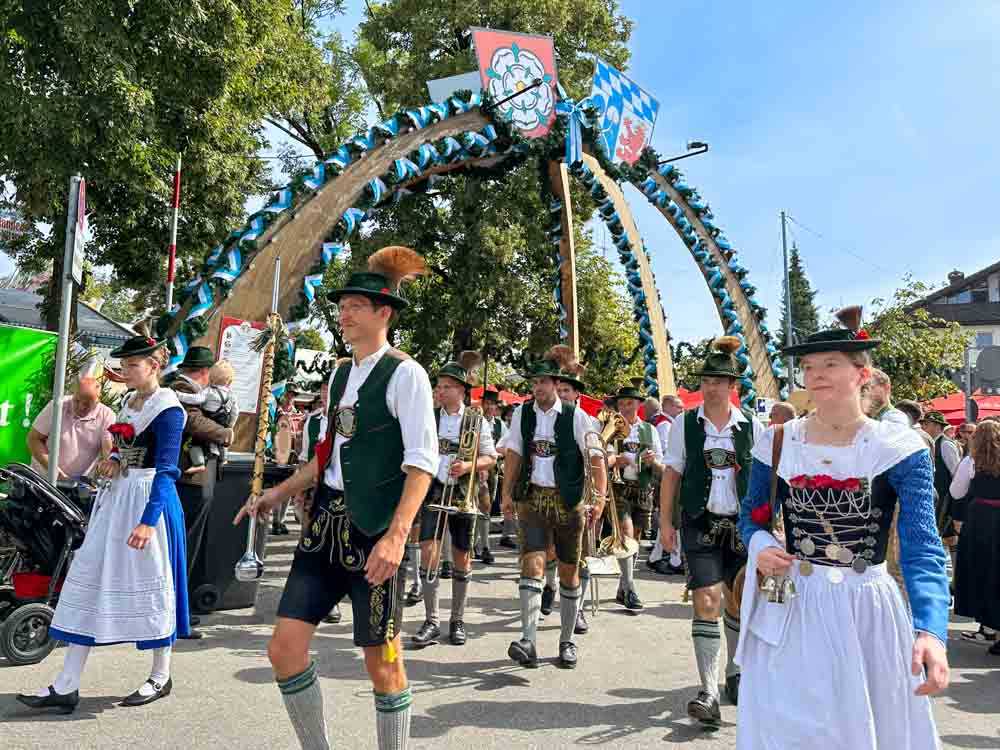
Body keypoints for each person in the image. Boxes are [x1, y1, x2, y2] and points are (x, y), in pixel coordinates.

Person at [233, 246, 437, 750]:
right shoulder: (342, 375)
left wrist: (396, 537)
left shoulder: (406, 374)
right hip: (326, 527)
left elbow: (422, 463)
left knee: (383, 662)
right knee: (284, 650)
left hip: (374, 533)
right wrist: (275, 493)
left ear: (383, 313)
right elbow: (326, 457)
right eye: (342, 306)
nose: (343, 314)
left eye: (355, 306)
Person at [736, 306, 949, 749]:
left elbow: (923, 546)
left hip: (867, 609)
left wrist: (931, 630)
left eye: (830, 363)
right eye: (809, 366)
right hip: (797, 603)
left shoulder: (898, 447)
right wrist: (759, 544)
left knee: (870, 726)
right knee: (795, 729)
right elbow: (751, 516)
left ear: (861, 373)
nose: (815, 374)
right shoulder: (776, 440)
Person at [18, 336, 189, 712]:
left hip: (149, 504)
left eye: (132, 365)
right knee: (88, 579)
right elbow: (126, 453)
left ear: (154, 366)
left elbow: (166, 470)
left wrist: (148, 521)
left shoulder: (169, 410)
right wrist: (115, 462)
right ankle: (66, 684)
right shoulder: (129, 404)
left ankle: (161, 674)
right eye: (124, 365)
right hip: (117, 501)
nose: (125, 371)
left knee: (152, 588)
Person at [659, 336, 764, 724]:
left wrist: (775, 527)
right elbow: (672, 475)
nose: (711, 386)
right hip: (700, 522)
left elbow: (767, 480)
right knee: (706, 599)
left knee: (737, 600)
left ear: (733, 386)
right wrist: (665, 523)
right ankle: (708, 690)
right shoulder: (684, 424)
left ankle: (735, 673)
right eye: (706, 380)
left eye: (719, 380)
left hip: (743, 525)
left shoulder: (755, 425)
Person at [501, 349, 606, 669]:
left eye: (544, 381)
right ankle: (528, 639)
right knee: (530, 564)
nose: (538, 387)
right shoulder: (523, 413)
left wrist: (599, 499)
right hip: (533, 498)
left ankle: (566, 641)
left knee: (569, 572)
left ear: (556, 381)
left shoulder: (575, 415)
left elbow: (596, 457)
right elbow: (514, 454)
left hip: (567, 501)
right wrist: (507, 493)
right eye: (534, 382)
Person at [411, 351, 497, 648]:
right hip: (433, 488)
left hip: (462, 492)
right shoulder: (428, 416)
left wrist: (468, 466)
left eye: (446, 386)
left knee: (462, 556)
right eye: (439, 385)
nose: (440, 390)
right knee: (428, 553)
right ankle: (432, 619)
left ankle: (457, 619)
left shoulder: (477, 420)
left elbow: (491, 457)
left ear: (461, 390)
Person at [168, 345, 234, 638]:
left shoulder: (186, 386)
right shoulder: (183, 387)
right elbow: (193, 422)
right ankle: (176, 612)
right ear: (205, 373)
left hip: (196, 476)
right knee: (186, 544)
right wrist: (226, 433)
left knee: (188, 543)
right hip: (190, 478)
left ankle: (179, 608)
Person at [551, 346, 600, 636]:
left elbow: (596, 462)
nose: (563, 394)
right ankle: (547, 586)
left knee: (580, 555)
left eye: (567, 390)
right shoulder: (541, 416)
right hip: (546, 495)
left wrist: (598, 498)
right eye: (560, 389)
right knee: (548, 552)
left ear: (576, 394)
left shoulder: (586, 421)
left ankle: (577, 609)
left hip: (579, 494)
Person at [609, 381, 665, 611]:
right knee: (626, 535)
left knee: (636, 540)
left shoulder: (649, 430)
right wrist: (615, 460)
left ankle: (623, 587)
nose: (624, 407)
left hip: (643, 489)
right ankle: (631, 588)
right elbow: (603, 458)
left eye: (629, 403)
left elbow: (661, 464)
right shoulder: (611, 427)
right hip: (620, 488)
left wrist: (653, 461)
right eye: (621, 403)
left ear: (638, 405)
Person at [952, 419, 1000, 654]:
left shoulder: (972, 461)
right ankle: (992, 629)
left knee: (982, 572)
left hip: (981, 521)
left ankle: (988, 626)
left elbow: (956, 491)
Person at [27, 375, 115, 481]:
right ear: (73, 394)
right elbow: (33, 439)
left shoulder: (107, 415)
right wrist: (53, 471)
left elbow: (108, 447)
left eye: (87, 404)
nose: (81, 407)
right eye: (77, 401)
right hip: (42, 479)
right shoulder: (57, 405)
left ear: (98, 400)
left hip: (77, 485)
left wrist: (109, 463)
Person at [173, 359, 239, 474]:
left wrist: (178, 395)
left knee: (196, 444)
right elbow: (235, 412)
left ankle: (199, 463)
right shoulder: (231, 395)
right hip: (222, 422)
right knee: (219, 444)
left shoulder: (208, 391)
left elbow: (195, 399)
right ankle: (223, 459)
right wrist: (230, 427)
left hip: (210, 419)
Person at [920, 410, 962, 553]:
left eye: (927, 423)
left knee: (940, 534)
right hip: (934, 496)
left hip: (944, 498)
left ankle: (953, 571)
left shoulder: (945, 444)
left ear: (938, 426)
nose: (923, 426)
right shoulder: (929, 442)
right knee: (945, 536)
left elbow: (956, 472)